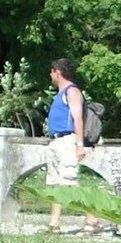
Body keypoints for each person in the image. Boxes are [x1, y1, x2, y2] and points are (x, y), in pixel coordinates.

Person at [46, 58, 96, 232]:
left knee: (69, 181)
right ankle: (55, 223)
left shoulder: (72, 91)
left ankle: (92, 219)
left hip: (67, 141)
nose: (50, 75)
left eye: (51, 72)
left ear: (57, 72)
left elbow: (78, 119)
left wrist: (79, 144)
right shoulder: (60, 94)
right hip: (56, 140)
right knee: (57, 184)